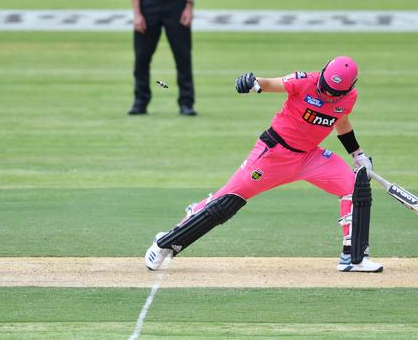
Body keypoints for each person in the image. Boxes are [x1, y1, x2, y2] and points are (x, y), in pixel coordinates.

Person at [144, 56, 384, 273]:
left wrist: (357, 154)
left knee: (354, 188)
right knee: (226, 201)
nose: (328, 95)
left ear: (349, 89)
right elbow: (268, 83)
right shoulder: (305, 81)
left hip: (310, 157)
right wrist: (252, 83)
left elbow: (341, 121)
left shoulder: (349, 98)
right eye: (325, 88)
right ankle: (165, 243)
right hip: (273, 155)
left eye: (334, 93)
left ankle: (353, 258)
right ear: (321, 74)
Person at [128, 0, 197, 116]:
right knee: (142, 56)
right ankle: (140, 101)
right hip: (148, 2)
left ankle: (186, 102)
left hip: (177, 2)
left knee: (182, 55)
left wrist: (189, 6)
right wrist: (136, 13)